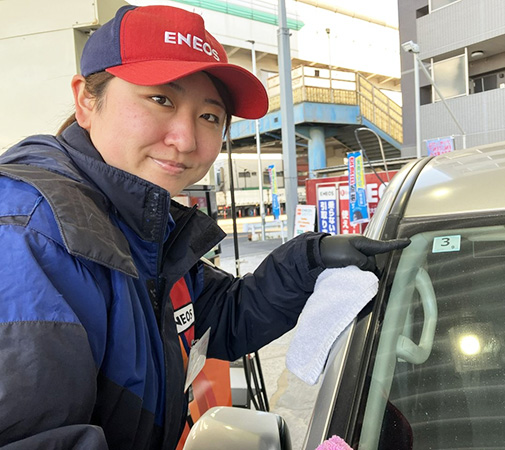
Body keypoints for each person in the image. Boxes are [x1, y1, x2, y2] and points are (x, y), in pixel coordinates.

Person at [0, 5, 409, 450]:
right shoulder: (28, 236)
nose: (187, 140)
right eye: (161, 99)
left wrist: (309, 259)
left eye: (210, 116)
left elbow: (223, 317)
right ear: (85, 100)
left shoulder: (145, 228)